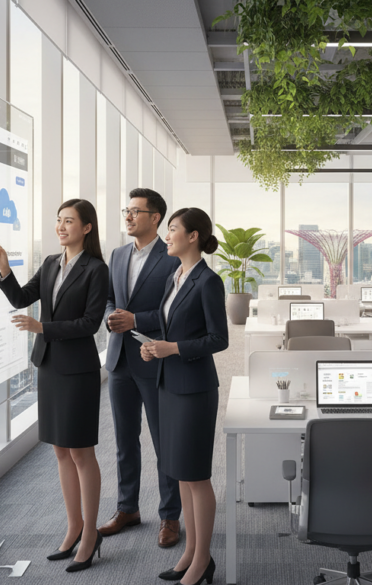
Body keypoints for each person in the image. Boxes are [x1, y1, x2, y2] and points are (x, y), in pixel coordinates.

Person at [0, 199, 108, 572]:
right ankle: (73, 525)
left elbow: (91, 323)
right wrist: (4, 268)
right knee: (60, 451)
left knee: (80, 453)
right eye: (58, 221)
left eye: (69, 221)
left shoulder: (96, 269)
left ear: (86, 227)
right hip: (50, 366)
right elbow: (21, 298)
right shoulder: (50, 263)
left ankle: (91, 532)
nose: (61, 226)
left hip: (78, 370)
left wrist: (43, 328)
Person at [141, 207, 228, 585]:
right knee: (178, 473)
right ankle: (190, 553)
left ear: (193, 236)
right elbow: (166, 326)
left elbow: (218, 339)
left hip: (194, 388)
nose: (166, 235)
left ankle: (203, 559)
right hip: (168, 385)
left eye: (173, 229)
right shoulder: (174, 276)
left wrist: (173, 349)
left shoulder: (208, 281)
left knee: (196, 476)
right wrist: (153, 347)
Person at [98, 188, 183, 548]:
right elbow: (108, 301)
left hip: (154, 359)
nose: (129, 216)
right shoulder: (117, 255)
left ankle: (170, 516)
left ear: (156, 218)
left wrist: (136, 319)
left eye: (136, 211)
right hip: (119, 361)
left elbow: (175, 311)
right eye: (126, 210)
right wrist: (110, 319)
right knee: (124, 442)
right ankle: (127, 508)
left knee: (165, 442)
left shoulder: (172, 258)